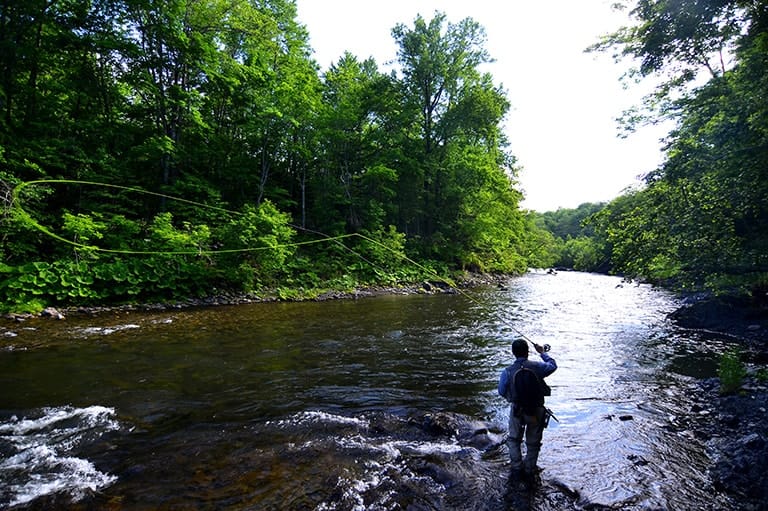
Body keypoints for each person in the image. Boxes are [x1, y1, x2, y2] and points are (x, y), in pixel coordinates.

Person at [498, 338, 557, 478]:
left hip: (517, 409)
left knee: (513, 439)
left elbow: (501, 391)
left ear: (513, 353)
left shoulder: (507, 371)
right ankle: (530, 469)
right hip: (537, 409)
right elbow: (553, 365)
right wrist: (542, 353)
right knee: (533, 442)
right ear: (528, 352)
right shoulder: (538, 367)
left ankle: (517, 468)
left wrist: (512, 396)